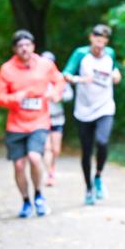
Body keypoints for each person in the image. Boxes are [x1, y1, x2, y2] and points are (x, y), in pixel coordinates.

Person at [0, 29, 66, 218]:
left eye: (27, 45)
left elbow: (60, 81)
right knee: (18, 165)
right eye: (20, 46)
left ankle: (39, 196)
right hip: (16, 124)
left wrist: (54, 94)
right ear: (14, 49)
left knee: (35, 157)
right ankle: (26, 201)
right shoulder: (6, 69)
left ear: (33, 46)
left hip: (39, 121)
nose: (24, 49)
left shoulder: (45, 65)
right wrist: (15, 98)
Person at [63, 24, 122, 205]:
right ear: (91, 37)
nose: (100, 39)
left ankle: (98, 176)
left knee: (102, 141)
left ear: (106, 40)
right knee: (86, 151)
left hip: (105, 107)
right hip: (84, 111)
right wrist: (80, 79)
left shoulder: (110, 54)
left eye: (103, 37)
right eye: (97, 36)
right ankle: (88, 188)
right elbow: (65, 74)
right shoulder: (81, 54)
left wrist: (116, 76)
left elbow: (116, 71)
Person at [41, 51, 74, 186]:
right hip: (41, 118)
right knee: (46, 148)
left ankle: (52, 168)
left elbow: (69, 95)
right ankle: (49, 174)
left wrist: (58, 97)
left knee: (56, 149)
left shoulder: (59, 78)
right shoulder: (36, 78)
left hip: (57, 118)